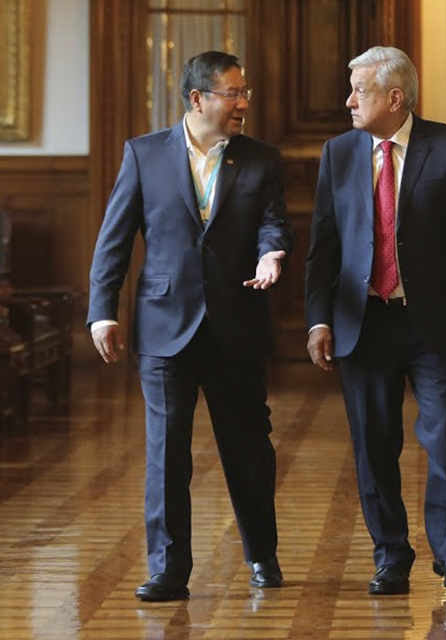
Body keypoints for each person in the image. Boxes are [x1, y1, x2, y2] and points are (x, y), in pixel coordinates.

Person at [87, 51, 293, 602]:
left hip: (237, 325)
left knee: (248, 449)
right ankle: (168, 571)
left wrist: (271, 255)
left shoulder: (260, 159)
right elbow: (114, 240)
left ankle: (261, 556)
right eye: (233, 93)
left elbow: (274, 222)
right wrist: (102, 310)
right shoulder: (143, 154)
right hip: (163, 327)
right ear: (198, 98)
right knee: (165, 454)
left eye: (245, 92)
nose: (243, 103)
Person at [304, 46, 446, 595]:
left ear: (395, 97)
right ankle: (390, 555)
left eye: (357, 90)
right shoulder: (338, 153)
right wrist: (318, 321)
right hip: (361, 322)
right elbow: (324, 245)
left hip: (432, 323)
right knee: (373, 443)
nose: (347, 101)